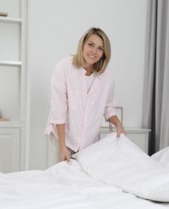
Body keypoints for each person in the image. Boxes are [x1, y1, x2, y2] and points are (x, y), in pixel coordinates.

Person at [45, 27, 126, 166]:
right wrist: (63, 147)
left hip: (89, 144)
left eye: (100, 48)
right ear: (82, 44)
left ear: (104, 53)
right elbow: (59, 110)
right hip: (62, 139)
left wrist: (118, 124)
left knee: (83, 184)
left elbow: (108, 107)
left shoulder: (107, 77)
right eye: (90, 44)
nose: (94, 51)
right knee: (58, 182)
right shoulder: (63, 68)